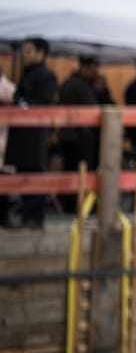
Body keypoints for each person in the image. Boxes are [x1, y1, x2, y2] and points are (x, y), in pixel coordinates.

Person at [2, 37, 58, 229]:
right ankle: (27, 217)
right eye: (24, 51)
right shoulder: (27, 73)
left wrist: (24, 105)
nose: (25, 55)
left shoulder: (46, 76)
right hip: (21, 134)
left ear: (40, 53)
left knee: (34, 175)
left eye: (28, 51)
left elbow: (44, 103)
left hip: (34, 135)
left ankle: (34, 219)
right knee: (23, 174)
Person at [57, 55, 101, 209]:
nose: (96, 72)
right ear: (85, 67)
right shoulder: (80, 85)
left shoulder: (68, 82)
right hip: (79, 137)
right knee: (81, 174)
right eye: (93, 69)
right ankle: (80, 207)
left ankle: (71, 205)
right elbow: (93, 107)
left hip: (68, 135)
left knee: (70, 172)